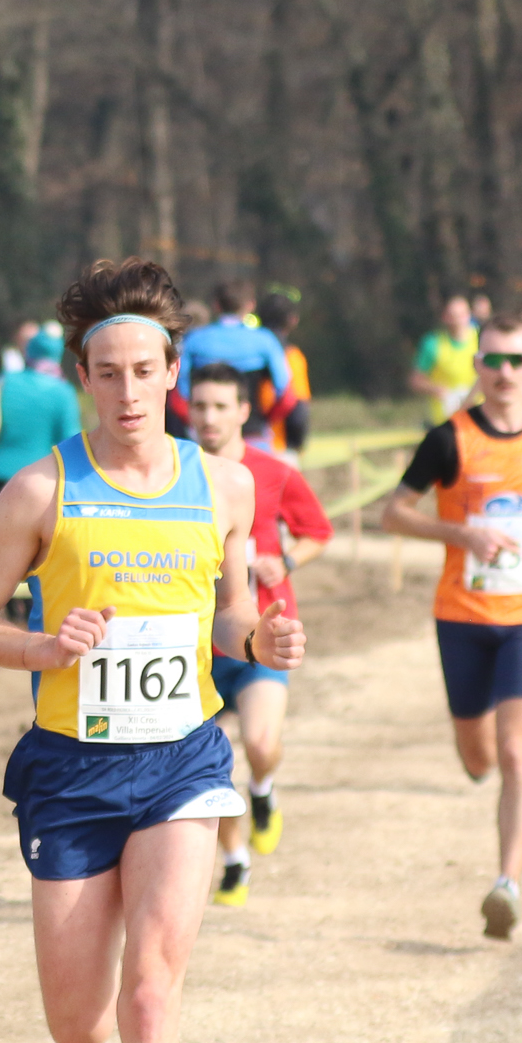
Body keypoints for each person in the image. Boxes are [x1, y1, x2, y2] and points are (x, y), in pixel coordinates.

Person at [0, 257, 306, 1043]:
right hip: (72, 769)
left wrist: (261, 640)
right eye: (108, 373)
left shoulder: (224, 484)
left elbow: (229, 613)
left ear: (173, 372)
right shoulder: (40, 489)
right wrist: (44, 645)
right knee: (79, 1025)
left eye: (145, 370)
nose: (129, 390)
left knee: (153, 992)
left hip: (182, 759)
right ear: (83, 378)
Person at [382, 314, 522, 941]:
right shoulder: (449, 439)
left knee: (517, 750)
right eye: (492, 359)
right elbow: (393, 513)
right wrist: (459, 533)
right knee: (479, 757)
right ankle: (476, 765)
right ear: (476, 366)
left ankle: (507, 885)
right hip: (463, 616)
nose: (504, 372)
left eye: (516, 360)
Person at [183, 363, 332, 906]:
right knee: (212, 764)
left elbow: (318, 531)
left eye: (221, 406)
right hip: (194, 646)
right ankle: (234, 861)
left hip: (257, 637)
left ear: (244, 412)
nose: (209, 417)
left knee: (261, 744)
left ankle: (264, 789)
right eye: (200, 406)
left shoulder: (272, 473)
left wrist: (284, 560)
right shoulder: (172, 474)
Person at [174, 279, 293, 440]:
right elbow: (287, 396)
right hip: (253, 432)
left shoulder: (194, 340)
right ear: (251, 305)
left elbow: (178, 394)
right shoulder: (265, 341)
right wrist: (266, 420)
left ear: (216, 305)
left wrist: (195, 421)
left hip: (207, 435)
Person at [0, 336, 83, 499]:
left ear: (29, 352)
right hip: (41, 474)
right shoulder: (63, 391)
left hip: (1, 470)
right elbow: (69, 438)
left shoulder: (5, 381)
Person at [256, 290, 312, 457]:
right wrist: (297, 443)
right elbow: (298, 406)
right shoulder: (291, 356)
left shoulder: (246, 354)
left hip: (243, 445)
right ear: (292, 320)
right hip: (278, 446)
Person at [411, 293, 479, 425]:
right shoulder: (433, 344)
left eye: (461, 315)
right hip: (445, 420)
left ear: (469, 315)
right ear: (444, 317)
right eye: (452, 316)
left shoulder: (482, 339)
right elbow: (415, 380)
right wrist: (436, 389)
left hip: (478, 419)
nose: (457, 320)